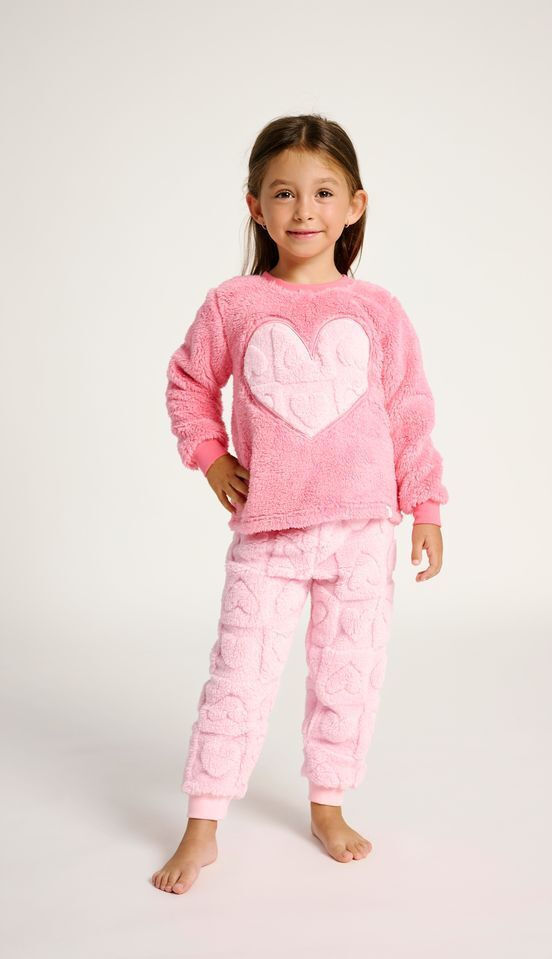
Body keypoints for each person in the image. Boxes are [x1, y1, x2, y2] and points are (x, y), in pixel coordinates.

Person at [151, 114, 448, 894]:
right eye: (284, 193)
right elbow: (188, 383)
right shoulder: (234, 303)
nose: (304, 209)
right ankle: (202, 823)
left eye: (322, 192)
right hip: (269, 532)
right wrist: (211, 457)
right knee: (238, 675)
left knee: (349, 673)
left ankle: (328, 803)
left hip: (362, 531)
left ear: (354, 205)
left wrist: (425, 503)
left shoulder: (379, 310)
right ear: (255, 206)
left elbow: (409, 410)